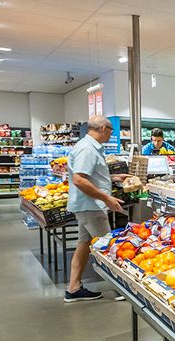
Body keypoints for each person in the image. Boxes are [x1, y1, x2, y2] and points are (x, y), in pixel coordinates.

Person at [64, 115, 126, 303]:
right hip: (91, 206)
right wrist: (106, 198)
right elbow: (79, 179)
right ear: (102, 129)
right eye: (110, 130)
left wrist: (115, 178)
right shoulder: (87, 149)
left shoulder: (88, 146)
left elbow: (89, 176)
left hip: (86, 205)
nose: (111, 134)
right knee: (108, 247)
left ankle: (73, 288)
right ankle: (121, 288)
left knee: (84, 244)